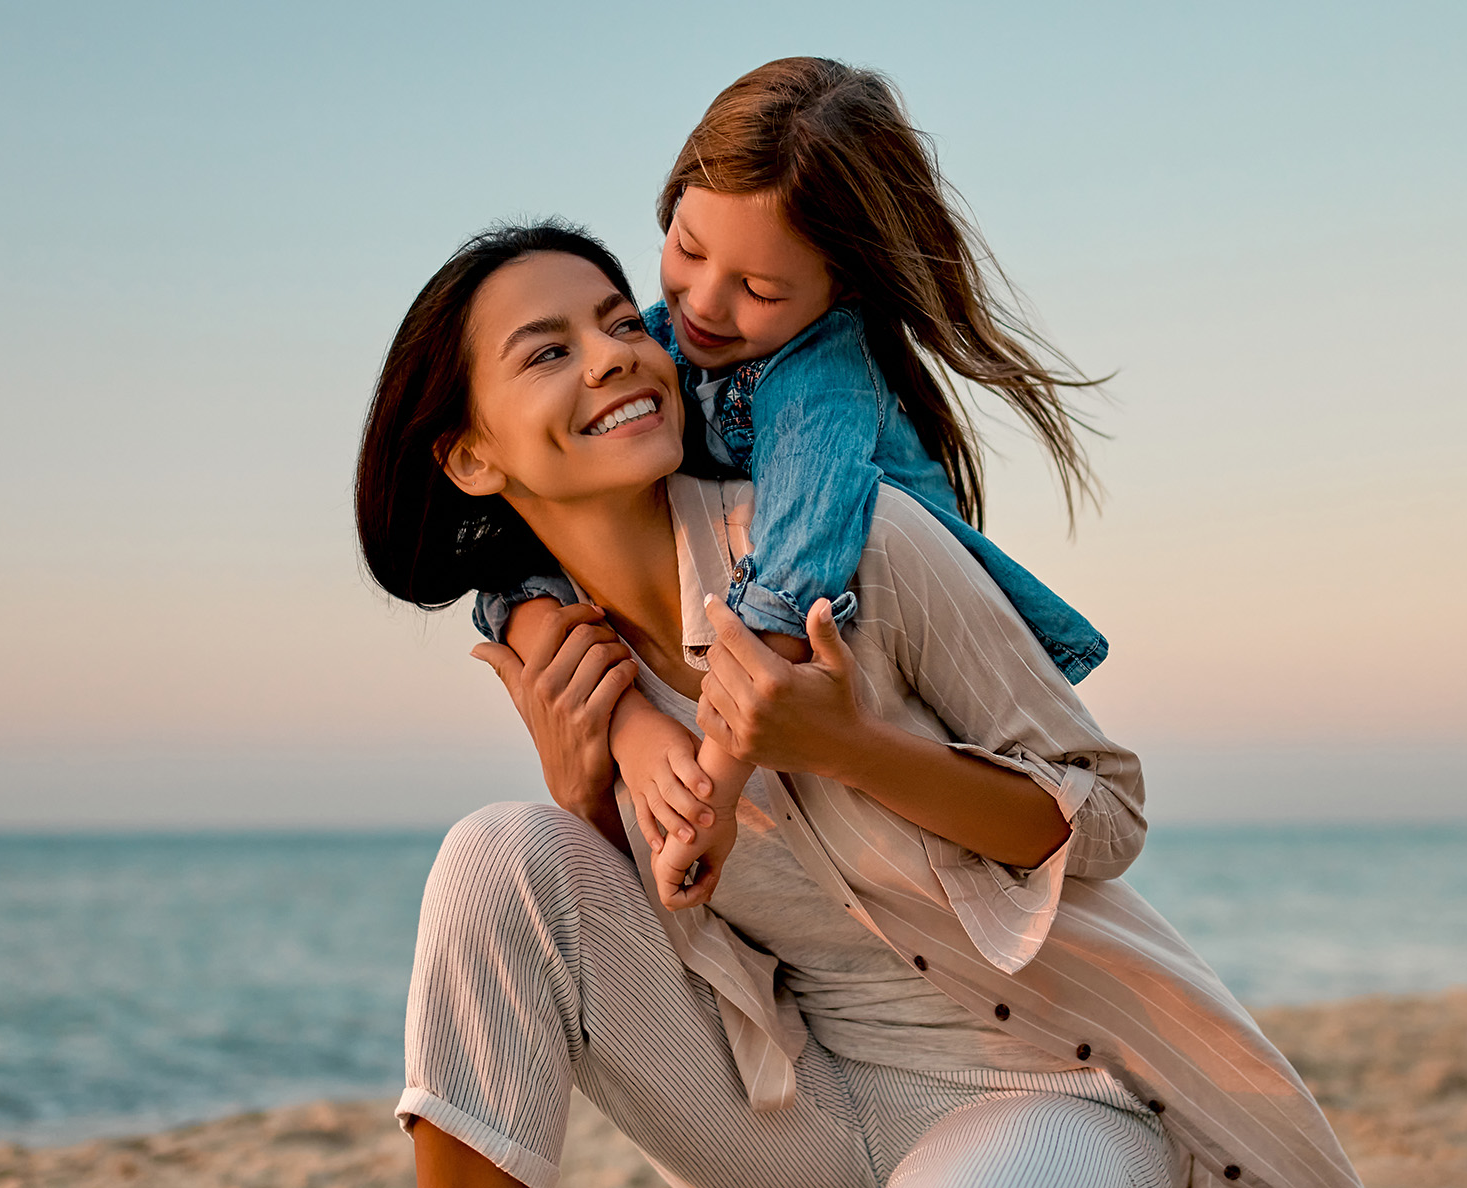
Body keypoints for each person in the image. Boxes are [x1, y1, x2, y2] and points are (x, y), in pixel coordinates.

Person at [353, 223, 1362, 1188]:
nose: (614, 356)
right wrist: (584, 795)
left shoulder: (860, 543)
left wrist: (850, 747)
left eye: (623, 323)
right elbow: (682, 937)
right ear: (471, 457)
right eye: (548, 352)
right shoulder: (572, 661)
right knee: (499, 853)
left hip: (1041, 1085)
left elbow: (1107, 814)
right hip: (792, 1104)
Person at [481, 58, 1111, 910]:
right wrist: (626, 727)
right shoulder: (660, 349)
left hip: (900, 656)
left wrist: (715, 790)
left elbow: (795, 577)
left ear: (838, 287)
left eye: (760, 289)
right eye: (687, 248)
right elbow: (516, 548)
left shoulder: (823, 378)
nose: (703, 303)